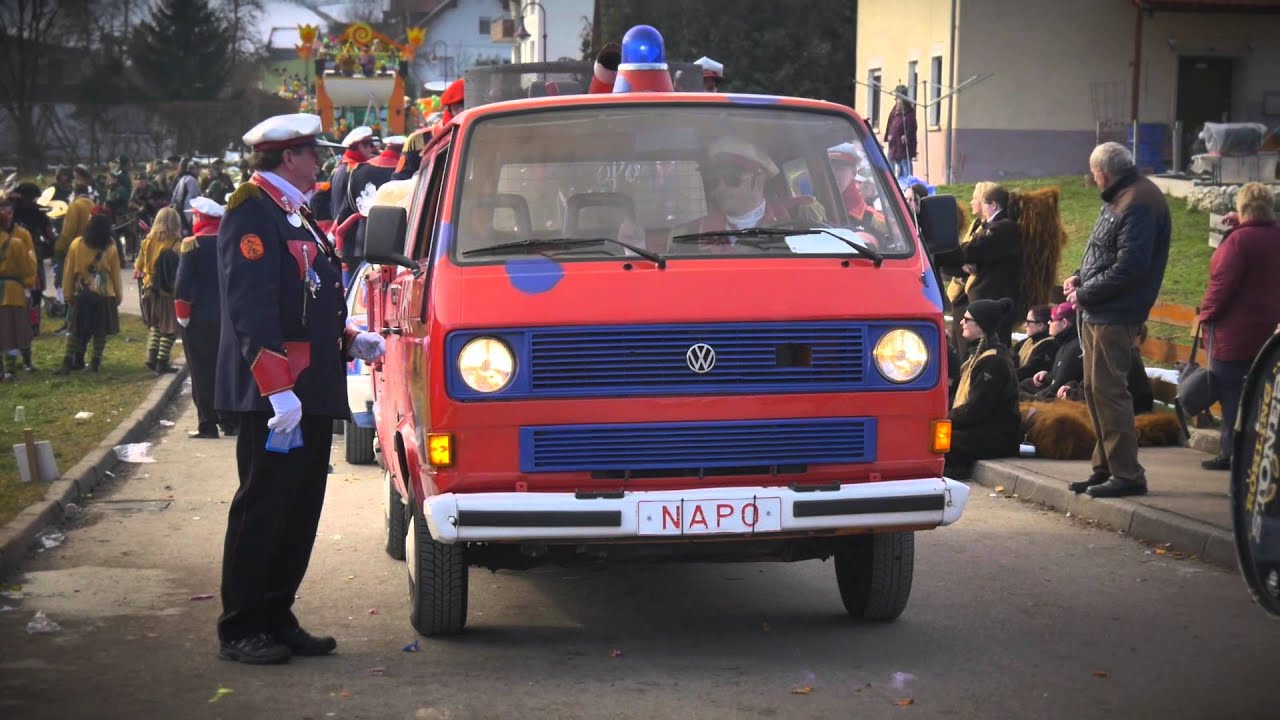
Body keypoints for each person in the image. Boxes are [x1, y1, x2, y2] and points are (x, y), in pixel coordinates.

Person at [214, 113, 385, 665]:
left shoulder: (294, 212)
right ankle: (242, 626)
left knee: (299, 509)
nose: (322, 162)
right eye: (314, 153)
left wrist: (349, 337)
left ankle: (275, 613)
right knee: (264, 508)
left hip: (308, 386)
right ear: (289, 157)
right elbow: (252, 308)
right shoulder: (252, 211)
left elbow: (307, 296)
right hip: (278, 394)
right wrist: (276, 388)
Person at [1063, 142, 1171, 497]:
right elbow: (1104, 251)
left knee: (1110, 392)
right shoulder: (1121, 196)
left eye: (1093, 173)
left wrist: (1086, 293)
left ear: (1102, 172)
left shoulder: (1138, 202)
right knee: (1095, 390)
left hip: (1116, 312)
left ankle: (1127, 474)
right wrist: (1080, 277)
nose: (1092, 179)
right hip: (1100, 309)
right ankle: (1105, 466)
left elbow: (1130, 267)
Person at [1198, 182, 1280, 471]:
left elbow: (1221, 286)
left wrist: (1206, 315)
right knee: (1264, 393)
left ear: (1242, 208)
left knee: (1231, 393)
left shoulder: (1237, 242)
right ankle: (1261, 454)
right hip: (1270, 333)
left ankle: (1232, 453)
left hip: (1235, 333)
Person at [175, 197, 236, 439]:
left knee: (202, 371)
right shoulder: (229, 242)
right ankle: (230, 421)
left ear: (200, 217)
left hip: (199, 318)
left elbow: (183, 284)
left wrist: (182, 315)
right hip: (228, 318)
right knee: (227, 369)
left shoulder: (192, 245)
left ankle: (207, 423)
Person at [944, 297, 1022, 479]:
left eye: (967, 319)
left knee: (938, 439)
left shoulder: (993, 361)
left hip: (997, 437)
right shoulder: (978, 355)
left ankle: (956, 471)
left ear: (981, 325)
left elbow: (976, 409)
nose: (961, 322)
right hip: (981, 429)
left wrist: (943, 419)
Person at [942, 185, 1022, 347]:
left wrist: (963, 255)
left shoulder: (1002, 228)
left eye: (983, 203)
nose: (976, 204)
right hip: (987, 294)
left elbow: (973, 250)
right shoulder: (996, 226)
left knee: (989, 343)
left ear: (993, 205)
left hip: (991, 295)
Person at [55, 212, 122, 374]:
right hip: (104, 293)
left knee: (76, 329)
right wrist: (118, 297)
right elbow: (115, 275)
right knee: (100, 331)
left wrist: (67, 294)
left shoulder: (76, 244)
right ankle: (95, 363)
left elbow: (68, 271)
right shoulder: (111, 247)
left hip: (82, 292)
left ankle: (67, 361)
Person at [687, 136, 789, 236]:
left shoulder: (793, 223)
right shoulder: (691, 233)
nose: (720, 188)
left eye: (731, 177)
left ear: (760, 177)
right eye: (714, 181)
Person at [138, 207, 183, 373]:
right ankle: (162, 362)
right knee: (170, 328)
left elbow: (138, 266)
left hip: (149, 289)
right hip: (167, 291)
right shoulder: (177, 244)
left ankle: (151, 357)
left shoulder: (147, 241)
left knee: (156, 325)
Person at [9, 183, 54, 341]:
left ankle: (31, 327)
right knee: (25, 294)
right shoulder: (13, 211)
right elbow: (49, 235)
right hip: (20, 258)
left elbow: (49, 234)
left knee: (33, 293)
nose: (32, 200)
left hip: (30, 256)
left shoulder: (34, 212)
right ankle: (25, 326)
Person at [0, 195, 37, 381]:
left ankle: (25, 362)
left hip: (15, 289)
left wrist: (29, 283)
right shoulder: (15, 243)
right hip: (13, 290)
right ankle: (10, 370)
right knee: (13, 330)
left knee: (14, 328)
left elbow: (31, 258)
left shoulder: (23, 234)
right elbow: (28, 266)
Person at [1019, 302, 1081, 401]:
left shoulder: (1073, 348)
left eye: (1052, 320)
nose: (1048, 323)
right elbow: (1057, 376)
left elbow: (1057, 386)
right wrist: (1047, 375)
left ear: (1064, 323)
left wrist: (1034, 398)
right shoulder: (1064, 343)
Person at [827, 143, 886, 233]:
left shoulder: (875, 221)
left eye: (840, 169)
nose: (833, 175)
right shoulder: (814, 212)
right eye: (829, 169)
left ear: (854, 172)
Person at [329, 125, 376, 228]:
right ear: (355, 147)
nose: (371, 149)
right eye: (367, 144)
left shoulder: (342, 168)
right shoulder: (354, 171)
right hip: (350, 230)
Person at [1013, 304, 1057, 382]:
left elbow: (1030, 370)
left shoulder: (1049, 345)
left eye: (1029, 322)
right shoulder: (1028, 341)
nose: (1025, 325)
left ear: (1041, 325)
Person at [883, 86, 917, 179]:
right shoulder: (894, 111)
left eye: (898, 99)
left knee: (905, 171)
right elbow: (890, 124)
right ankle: (891, 183)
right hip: (893, 146)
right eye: (897, 99)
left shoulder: (909, 113)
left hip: (904, 148)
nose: (897, 101)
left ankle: (907, 184)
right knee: (890, 170)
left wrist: (907, 136)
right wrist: (889, 135)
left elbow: (912, 128)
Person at [171, 158, 202, 231]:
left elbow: (174, 197)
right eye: (198, 169)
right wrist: (189, 221)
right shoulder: (192, 181)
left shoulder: (183, 178)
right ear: (193, 170)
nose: (199, 171)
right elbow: (190, 201)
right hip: (186, 217)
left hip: (179, 213)